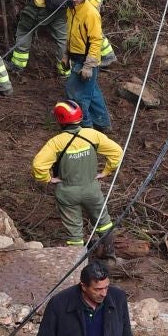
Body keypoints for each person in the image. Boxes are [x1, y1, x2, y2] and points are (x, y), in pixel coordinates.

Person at [31, 101, 123, 253]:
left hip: (67, 193)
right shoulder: (92, 135)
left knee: (74, 234)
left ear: (60, 120)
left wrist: (46, 179)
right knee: (104, 222)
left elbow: (38, 165)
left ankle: (77, 268)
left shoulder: (56, 142)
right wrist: (106, 171)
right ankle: (110, 257)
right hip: (92, 189)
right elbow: (117, 153)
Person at [62, 0, 111, 132]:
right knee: (93, 93)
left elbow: (96, 40)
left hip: (86, 60)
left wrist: (88, 66)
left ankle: (86, 127)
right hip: (76, 57)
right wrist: (66, 55)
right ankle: (103, 124)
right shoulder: (72, 10)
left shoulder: (90, 13)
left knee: (76, 92)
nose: (74, 0)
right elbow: (69, 34)